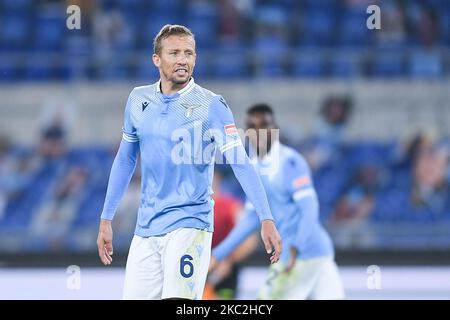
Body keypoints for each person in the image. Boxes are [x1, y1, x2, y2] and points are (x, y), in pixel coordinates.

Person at [96, 25, 281, 300]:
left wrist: (266, 217)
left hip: (189, 224)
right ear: (156, 59)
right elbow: (125, 159)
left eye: (189, 53)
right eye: (174, 53)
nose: (183, 59)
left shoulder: (212, 105)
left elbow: (240, 162)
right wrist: (106, 218)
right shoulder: (138, 100)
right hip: (145, 229)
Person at [210, 103, 344, 299]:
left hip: (303, 253)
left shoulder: (290, 162)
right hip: (307, 254)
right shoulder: (254, 168)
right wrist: (218, 255)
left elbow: (309, 209)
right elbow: (250, 219)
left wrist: (295, 248)